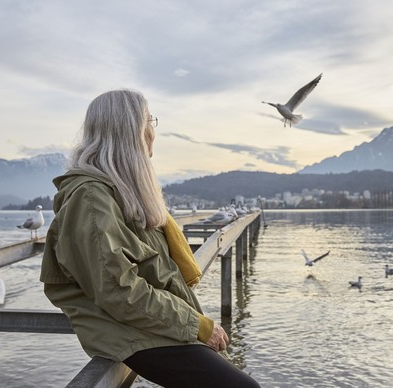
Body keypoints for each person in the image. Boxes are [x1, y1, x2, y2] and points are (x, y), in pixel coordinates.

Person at [40, 89, 260, 387]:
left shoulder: (119, 191)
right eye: (149, 121)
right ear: (130, 131)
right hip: (128, 330)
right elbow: (119, 291)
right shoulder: (90, 199)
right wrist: (197, 325)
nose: (152, 131)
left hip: (143, 323)